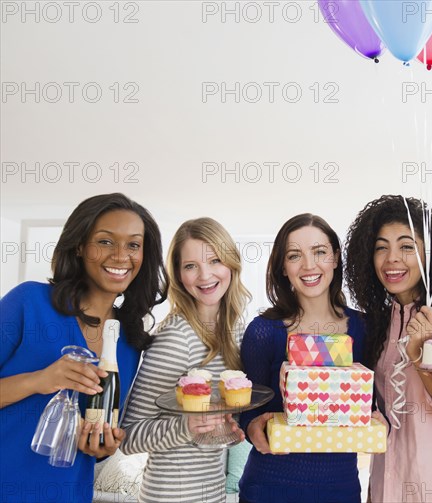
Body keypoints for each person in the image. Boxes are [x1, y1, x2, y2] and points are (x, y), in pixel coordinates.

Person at [0, 193, 168, 503]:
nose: (120, 256)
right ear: (79, 246)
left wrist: (102, 447)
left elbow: (99, 429)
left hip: (68, 493)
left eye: (133, 245)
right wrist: (38, 381)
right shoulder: (29, 302)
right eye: (105, 241)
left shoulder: (129, 342)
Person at [345, 195, 432, 503]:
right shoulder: (381, 323)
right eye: (381, 247)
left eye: (406, 246)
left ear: (430, 255)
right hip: (388, 490)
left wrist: (420, 356)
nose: (391, 258)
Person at [238, 213, 367, 503]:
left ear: (335, 257)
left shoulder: (365, 328)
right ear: (283, 267)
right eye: (294, 255)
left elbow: (373, 404)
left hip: (341, 489)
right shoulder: (262, 331)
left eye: (320, 252)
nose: (309, 265)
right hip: (268, 488)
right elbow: (247, 409)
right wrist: (252, 427)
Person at [121, 217, 251, 503]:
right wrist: (186, 427)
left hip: (212, 492)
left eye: (215, 260)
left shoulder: (236, 329)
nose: (205, 276)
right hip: (169, 495)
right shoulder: (176, 337)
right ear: (179, 275)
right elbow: (128, 436)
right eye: (191, 266)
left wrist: (230, 425)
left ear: (231, 263)